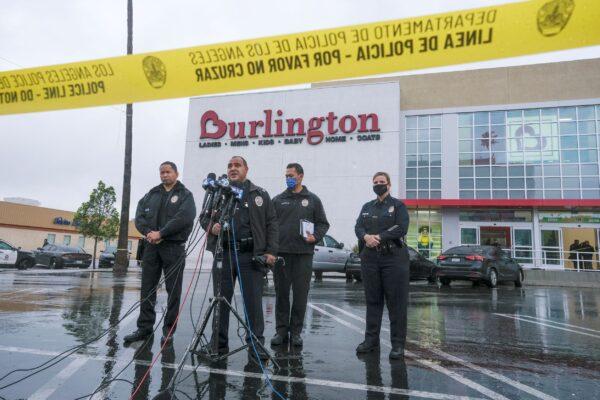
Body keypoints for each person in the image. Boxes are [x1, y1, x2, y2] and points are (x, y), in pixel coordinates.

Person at [202, 156, 278, 360]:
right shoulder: (219, 192)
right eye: (229, 166)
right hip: (223, 254)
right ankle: (218, 344)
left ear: (246, 169)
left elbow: (272, 224)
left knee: (253, 303)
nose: (233, 169)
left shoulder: (259, 194)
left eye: (237, 165)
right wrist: (212, 227)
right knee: (220, 301)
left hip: (250, 255)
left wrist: (271, 251)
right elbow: (204, 217)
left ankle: (256, 345)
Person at [124, 161, 197, 345]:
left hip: (173, 247)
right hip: (151, 247)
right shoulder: (151, 194)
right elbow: (139, 216)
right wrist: (149, 233)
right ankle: (144, 328)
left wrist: (162, 233)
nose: (164, 175)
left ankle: (169, 330)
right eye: (162, 172)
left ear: (176, 173)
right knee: (147, 289)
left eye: (168, 172)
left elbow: (184, 217)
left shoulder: (185, 195)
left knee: (173, 291)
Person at [272, 163, 329, 347]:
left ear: (301, 176)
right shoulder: (278, 200)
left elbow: (323, 224)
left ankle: (296, 332)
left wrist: (316, 236)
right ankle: (281, 331)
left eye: (291, 175)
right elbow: (270, 226)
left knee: (300, 296)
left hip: (303, 255)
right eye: (286, 175)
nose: (288, 178)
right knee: (281, 295)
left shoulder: (312, 200)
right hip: (281, 255)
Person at [354, 172, 410, 359]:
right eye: (375, 182)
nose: (378, 185)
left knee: (396, 303)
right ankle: (371, 341)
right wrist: (365, 237)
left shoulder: (398, 206)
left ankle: (398, 345)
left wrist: (379, 237)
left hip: (393, 259)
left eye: (382, 182)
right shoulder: (367, 207)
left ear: (389, 185)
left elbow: (401, 227)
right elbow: (358, 226)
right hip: (370, 259)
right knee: (373, 301)